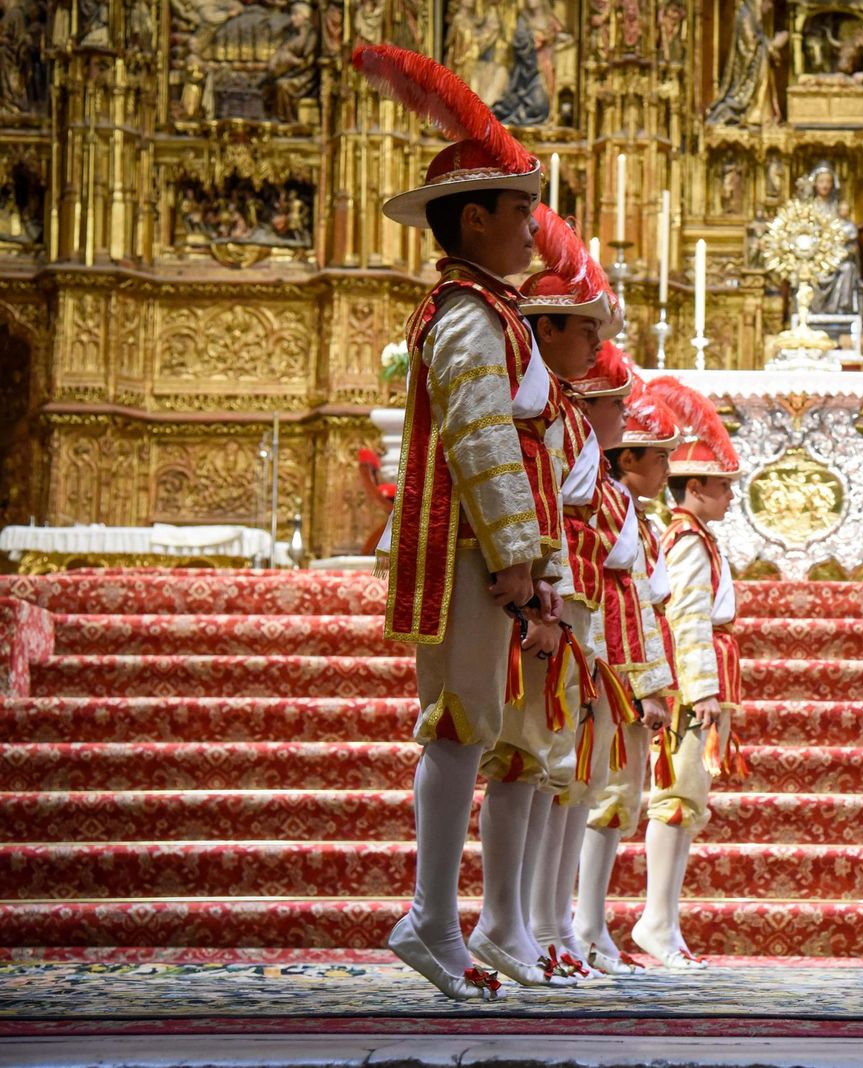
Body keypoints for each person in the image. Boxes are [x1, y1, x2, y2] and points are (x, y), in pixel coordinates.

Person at [353, 43, 558, 1001]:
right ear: (473, 218)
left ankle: (440, 917)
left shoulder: (484, 310)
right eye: (521, 210)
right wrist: (517, 557)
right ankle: (433, 917)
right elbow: (482, 440)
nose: (534, 227)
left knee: (467, 729)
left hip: (489, 550)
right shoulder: (471, 315)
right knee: (458, 725)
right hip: (475, 551)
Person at [467, 209, 624, 987]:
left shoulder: (558, 409)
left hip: (567, 606)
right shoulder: (539, 407)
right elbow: (540, 505)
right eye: (584, 329)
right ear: (548, 325)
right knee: (520, 753)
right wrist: (545, 598)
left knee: (549, 762)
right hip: (541, 600)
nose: (598, 348)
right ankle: (510, 920)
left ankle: (535, 921)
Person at [628, 376, 748, 968]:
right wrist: (702, 690)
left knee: (687, 802)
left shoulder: (698, 536)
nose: (730, 497)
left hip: (696, 683)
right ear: (694, 487)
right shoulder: (689, 541)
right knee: (675, 798)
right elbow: (687, 618)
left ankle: (665, 921)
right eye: (722, 487)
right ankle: (655, 919)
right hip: (686, 686)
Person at [574, 370, 684, 973]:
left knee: (617, 800)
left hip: (630, 667)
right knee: (600, 796)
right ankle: (580, 927)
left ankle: (590, 925)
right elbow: (624, 600)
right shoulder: (612, 508)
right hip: (613, 666)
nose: (668, 471)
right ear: (627, 457)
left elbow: (645, 603)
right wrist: (643, 684)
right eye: (659, 458)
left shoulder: (635, 514)